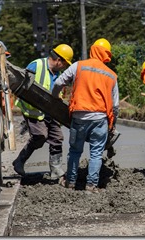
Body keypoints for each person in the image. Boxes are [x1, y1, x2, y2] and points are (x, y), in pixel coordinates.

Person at [52, 38, 119, 193]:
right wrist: (112, 124)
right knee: (96, 153)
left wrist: (55, 98)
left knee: (75, 151)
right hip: (100, 119)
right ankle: (91, 186)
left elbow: (58, 83)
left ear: (92, 50)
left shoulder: (78, 66)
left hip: (79, 117)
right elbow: (115, 106)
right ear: (107, 55)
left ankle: (70, 182)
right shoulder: (111, 75)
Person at [12, 44, 74, 179]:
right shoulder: (37, 65)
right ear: (59, 60)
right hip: (33, 111)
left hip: (50, 112)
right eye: (65, 63)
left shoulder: (58, 75)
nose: (65, 67)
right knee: (40, 136)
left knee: (57, 138)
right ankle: (19, 161)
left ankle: (56, 169)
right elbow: (23, 87)